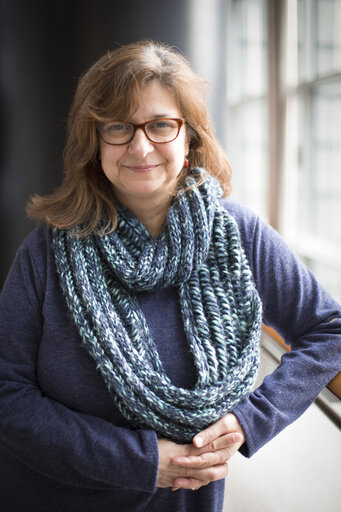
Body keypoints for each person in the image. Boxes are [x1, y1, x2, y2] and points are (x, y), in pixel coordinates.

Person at [0, 40, 340, 512]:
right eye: (118, 127)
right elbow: (7, 395)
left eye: (161, 124)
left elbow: (330, 331)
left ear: (190, 138)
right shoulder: (45, 251)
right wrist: (139, 461)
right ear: (95, 143)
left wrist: (250, 420)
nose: (140, 146)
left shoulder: (239, 234)